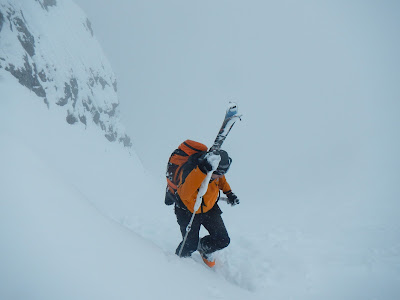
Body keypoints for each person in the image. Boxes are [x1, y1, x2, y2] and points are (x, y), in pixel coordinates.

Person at [174, 149, 240, 267]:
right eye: (219, 173)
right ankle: (176, 265)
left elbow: (221, 180)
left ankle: (203, 248)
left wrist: (229, 193)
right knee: (189, 245)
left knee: (223, 239)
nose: (220, 176)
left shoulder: (216, 174)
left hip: (209, 208)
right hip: (188, 211)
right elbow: (184, 194)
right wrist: (201, 171)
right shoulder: (192, 171)